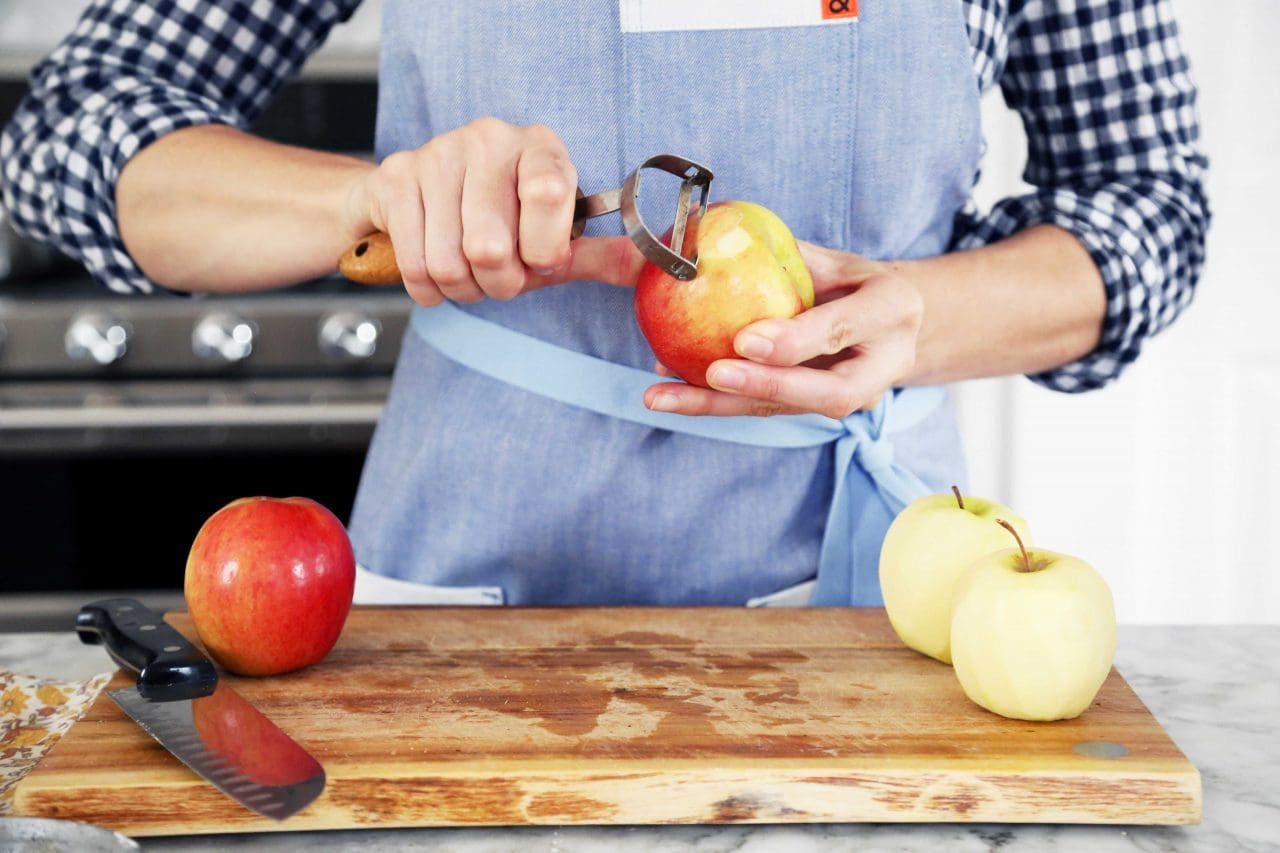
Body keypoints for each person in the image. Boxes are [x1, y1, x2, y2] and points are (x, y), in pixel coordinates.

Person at [1, 0, 1208, 607]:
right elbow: (74, 128)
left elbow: (1146, 200)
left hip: (879, 595)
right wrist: (375, 198)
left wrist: (920, 318)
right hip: (461, 589)